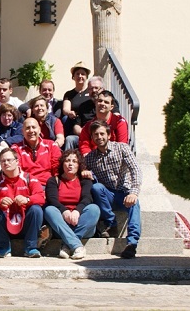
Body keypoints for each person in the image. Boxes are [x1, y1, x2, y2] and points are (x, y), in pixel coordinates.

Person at [84, 120, 142, 259]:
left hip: (124, 194)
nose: (99, 137)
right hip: (108, 196)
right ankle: (111, 223)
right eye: (95, 135)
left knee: (135, 204)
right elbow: (83, 172)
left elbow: (136, 170)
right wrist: (85, 172)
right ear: (92, 138)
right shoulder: (90, 158)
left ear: (109, 135)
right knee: (97, 187)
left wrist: (134, 192)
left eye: (102, 133)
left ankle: (132, 244)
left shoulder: (122, 148)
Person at [0, 147, 46, 258]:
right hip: (5, 225)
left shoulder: (29, 178)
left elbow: (41, 197)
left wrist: (27, 200)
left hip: (24, 224)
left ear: (17, 161)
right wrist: (0, 201)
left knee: (36, 209)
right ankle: (3, 247)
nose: (6, 163)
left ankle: (31, 248)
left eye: (9, 160)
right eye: (3, 161)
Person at [44, 150, 99, 260]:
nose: (70, 164)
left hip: (82, 224)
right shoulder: (53, 180)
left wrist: (77, 211)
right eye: (67, 160)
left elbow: (87, 198)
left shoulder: (85, 180)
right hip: (61, 224)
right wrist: (64, 211)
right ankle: (77, 246)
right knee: (49, 210)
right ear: (62, 163)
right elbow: (52, 200)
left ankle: (67, 244)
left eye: (74, 161)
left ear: (79, 165)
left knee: (94, 209)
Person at [11, 117, 61, 187]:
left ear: (39, 130)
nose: (31, 130)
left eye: (34, 127)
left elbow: (57, 166)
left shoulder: (51, 145)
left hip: (48, 185)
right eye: (27, 128)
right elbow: (17, 170)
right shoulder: (16, 148)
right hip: (27, 186)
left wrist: (55, 185)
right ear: (23, 132)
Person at [77, 90, 129, 155]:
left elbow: (122, 145)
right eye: (100, 101)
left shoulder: (119, 122)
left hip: (115, 158)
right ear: (95, 103)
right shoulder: (88, 126)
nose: (102, 103)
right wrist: (90, 158)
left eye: (106, 102)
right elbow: (84, 145)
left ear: (111, 107)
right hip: (94, 160)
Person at [62, 62, 91, 137]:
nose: (80, 76)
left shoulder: (91, 92)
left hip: (88, 120)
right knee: (65, 118)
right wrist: (69, 112)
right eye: (77, 74)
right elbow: (65, 109)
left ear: (86, 76)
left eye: (83, 74)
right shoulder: (69, 94)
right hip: (74, 121)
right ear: (73, 77)